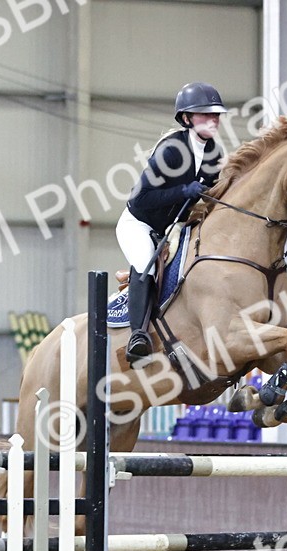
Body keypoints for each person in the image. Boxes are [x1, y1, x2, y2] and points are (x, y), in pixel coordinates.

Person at [116, 82, 228, 364]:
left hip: (172, 229)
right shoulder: (171, 150)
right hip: (139, 225)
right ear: (187, 118)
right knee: (146, 264)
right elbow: (141, 199)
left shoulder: (214, 154)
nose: (213, 120)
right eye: (205, 114)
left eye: (215, 115)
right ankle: (138, 335)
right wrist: (183, 191)